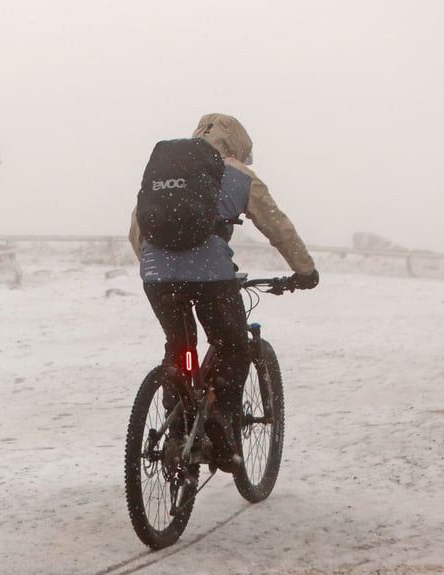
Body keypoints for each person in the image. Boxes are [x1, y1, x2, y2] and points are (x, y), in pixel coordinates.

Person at [128, 113, 319, 472]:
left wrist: (161, 270)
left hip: (157, 276)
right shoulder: (238, 174)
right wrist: (304, 271)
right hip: (210, 276)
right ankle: (218, 421)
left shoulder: (170, 174)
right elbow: (278, 227)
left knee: (182, 347)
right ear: (239, 145)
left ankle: (177, 420)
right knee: (233, 345)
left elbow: (137, 230)